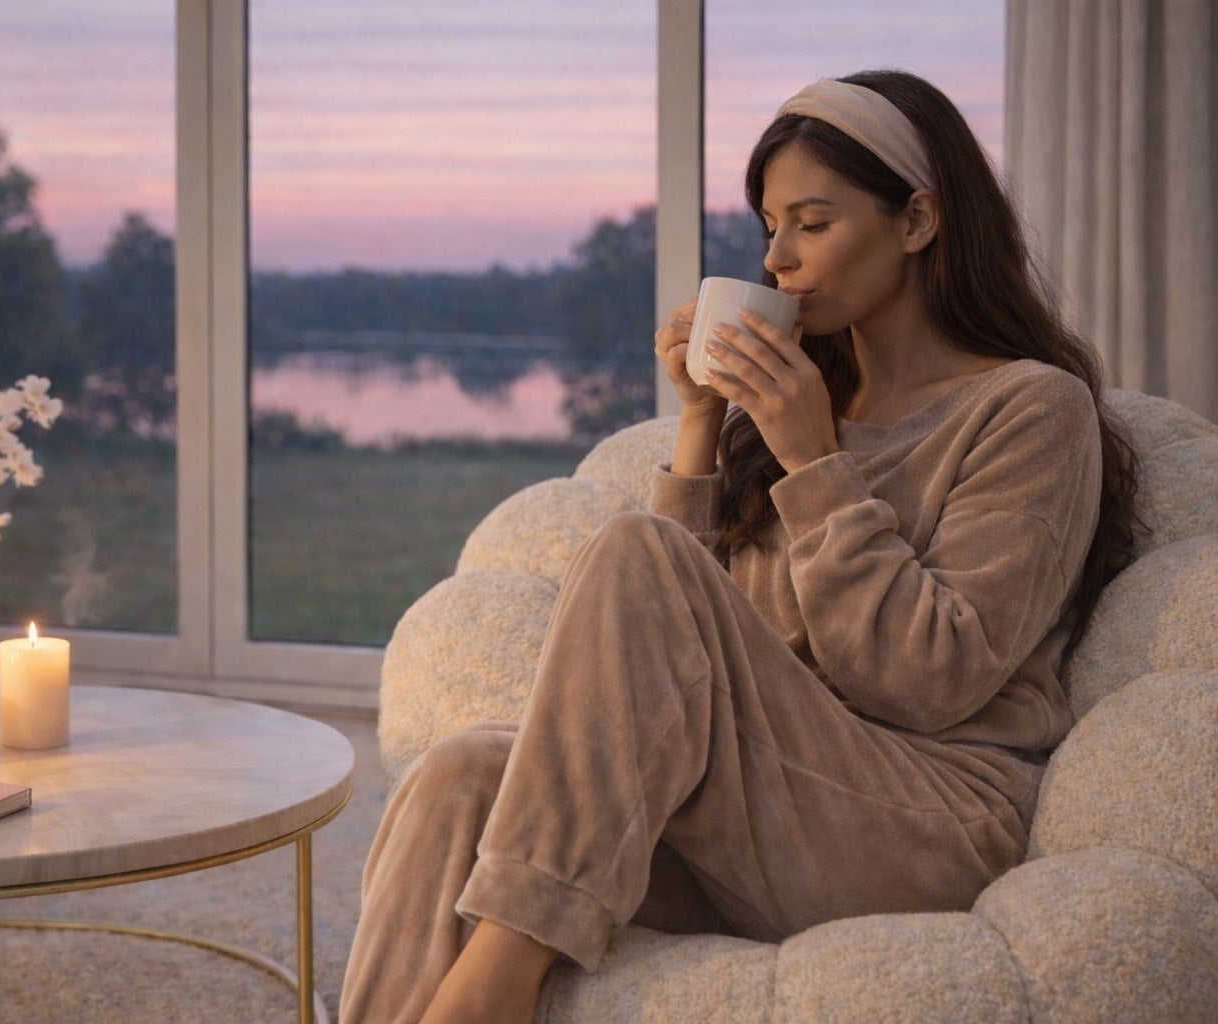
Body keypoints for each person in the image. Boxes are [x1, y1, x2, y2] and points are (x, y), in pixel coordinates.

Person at [339, 68, 1139, 1024]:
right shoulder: (802, 398)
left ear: (918, 219)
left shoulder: (1029, 408)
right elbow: (664, 653)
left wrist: (815, 461)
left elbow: (926, 683)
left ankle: (490, 991)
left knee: (639, 553)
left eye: (813, 221)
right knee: (462, 771)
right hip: (763, 806)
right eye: (770, 229)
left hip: (921, 820)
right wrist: (702, 422)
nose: (780, 261)